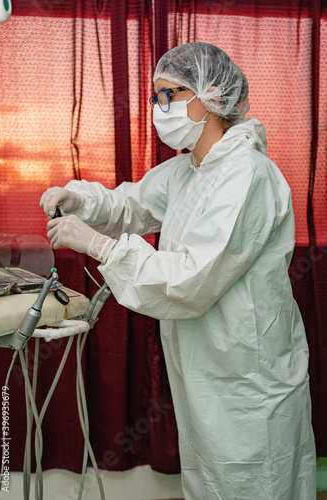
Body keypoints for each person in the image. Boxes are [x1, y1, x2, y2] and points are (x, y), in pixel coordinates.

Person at [40, 42, 316, 499]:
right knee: (210, 480)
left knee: (253, 483)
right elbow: (133, 203)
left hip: (249, 379)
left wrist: (98, 245)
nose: (158, 109)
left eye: (168, 95)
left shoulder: (246, 174)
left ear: (211, 96)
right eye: (155, 98)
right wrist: (82, 201)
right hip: (208, 369)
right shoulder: (192, 169)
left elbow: (191, 279)